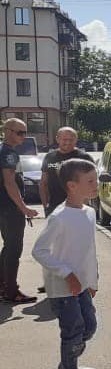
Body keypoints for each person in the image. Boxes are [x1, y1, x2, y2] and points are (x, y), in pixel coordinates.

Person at [31, 158, 101, 369]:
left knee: (89, 327)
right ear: (72, 186)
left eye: (96, 179)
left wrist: (92, 279)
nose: (96, 184)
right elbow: (39, 251)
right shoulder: (59, 217)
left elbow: (88, 250)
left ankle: (66, 366)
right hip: (63, 289)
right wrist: (67, 274)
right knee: (72, 333)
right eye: (90, 181)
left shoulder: (90, 212)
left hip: (82, 285)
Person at [0, 118, 40, 304]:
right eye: (20, 132)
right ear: (7, 131)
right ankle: (11, 292)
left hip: (5, 207)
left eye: (25, 132)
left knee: (7, 249)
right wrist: (23, 207)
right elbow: (9, 182)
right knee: (14, 249)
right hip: (10, 208)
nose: (24, 136)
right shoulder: (9, 154)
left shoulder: (4, 151)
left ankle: (3, 286)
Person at [41, 127, 93, 217]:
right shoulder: (49, 157)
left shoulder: (84, 157)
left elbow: (92, 183)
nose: (68, 142)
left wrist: (82, 205)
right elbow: (43, 183)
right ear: (57, 139)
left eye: (71, 139)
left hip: (77, 207)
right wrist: (45, 206)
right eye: (65, 139)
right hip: (54, 207)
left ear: (76, 140)